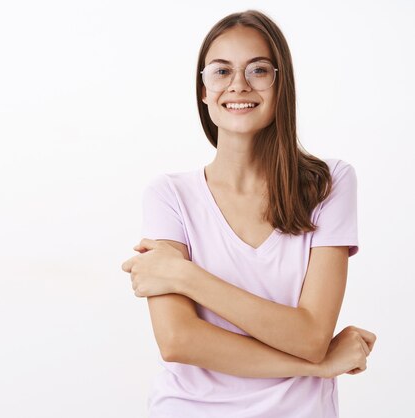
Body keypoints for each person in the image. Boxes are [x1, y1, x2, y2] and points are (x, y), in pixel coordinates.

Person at [120, 9, 377, 418]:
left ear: (281, 85)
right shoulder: (168, 195)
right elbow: (178, 340)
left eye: (258, 70)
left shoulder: (330, 184)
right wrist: (318, 364)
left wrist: (186, 275)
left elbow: (311, 335)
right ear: (203, 91)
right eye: (221, 72)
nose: (238, 85)